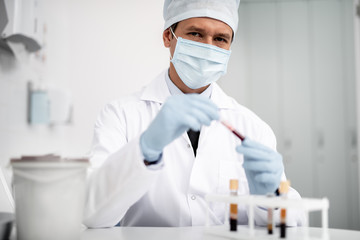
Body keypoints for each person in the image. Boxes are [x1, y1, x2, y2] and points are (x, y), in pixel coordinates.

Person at [83, 0, 304, 228]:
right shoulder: (120, 115)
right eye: (196, 34)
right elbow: (92, 214)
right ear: (168, 36)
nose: (208, 46)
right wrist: (145, 150)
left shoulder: (253, 128)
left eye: (220, 39)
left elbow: (290, 225)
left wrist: (272, 200)